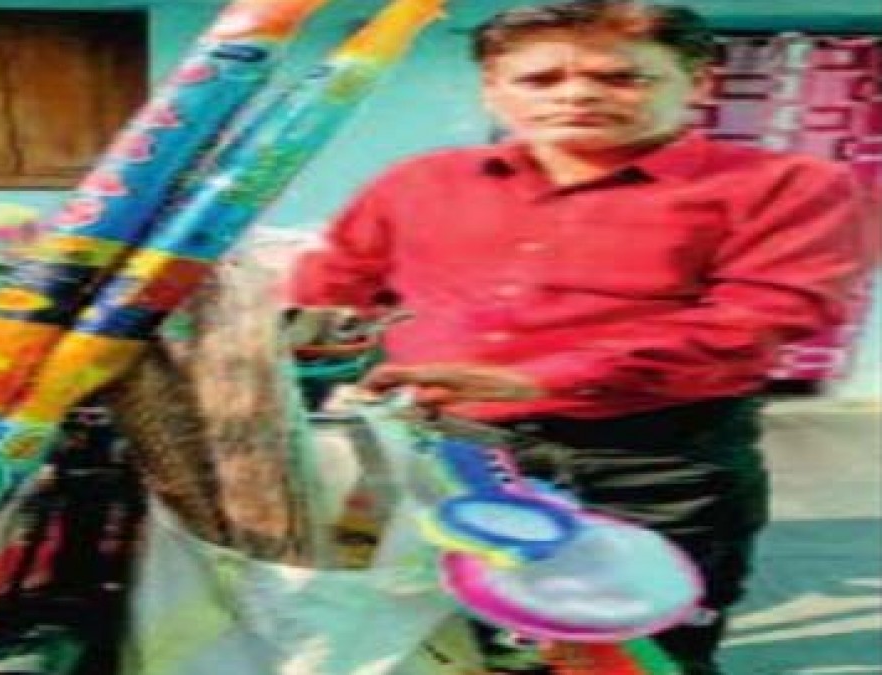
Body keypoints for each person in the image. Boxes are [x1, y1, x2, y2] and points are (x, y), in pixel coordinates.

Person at [287, 1, 874, 673]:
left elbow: (765, 316)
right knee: (442, 641)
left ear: (698, 82)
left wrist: (535, 378)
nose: (577, 94)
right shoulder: (420, 182)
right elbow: (335, 288)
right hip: (441, 455)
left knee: (634, 651)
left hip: (650, 463)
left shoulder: (786, 186)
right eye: (541, 79)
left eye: (621, 77)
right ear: (493, 89)